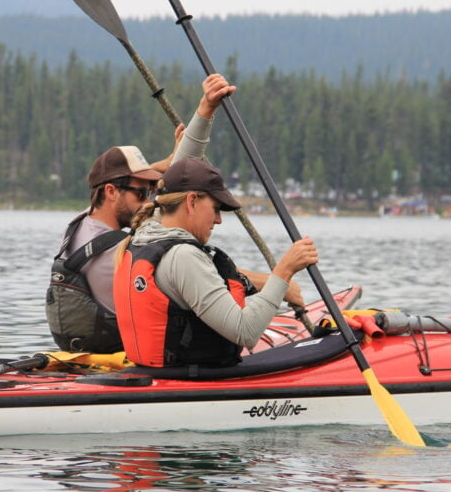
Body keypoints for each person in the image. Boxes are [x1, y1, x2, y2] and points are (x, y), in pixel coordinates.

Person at [46, 74, 236, 354]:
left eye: (151, 189)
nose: (149, 200)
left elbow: (163, 176)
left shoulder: (82, 222)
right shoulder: (121, 252)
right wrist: (273, 284)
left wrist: (204, 112)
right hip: (123, 354)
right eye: (141, 193)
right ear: (111, 191)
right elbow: (192, 277)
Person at [113, 158, 319, 368]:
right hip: (186, 382)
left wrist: (203, 125)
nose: (219, 219)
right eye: (216, 208)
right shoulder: (184, 257)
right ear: (192, 201)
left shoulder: (144, 232)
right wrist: (284, 271)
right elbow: (245, 332)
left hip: (153, 373)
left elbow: (175, 183)